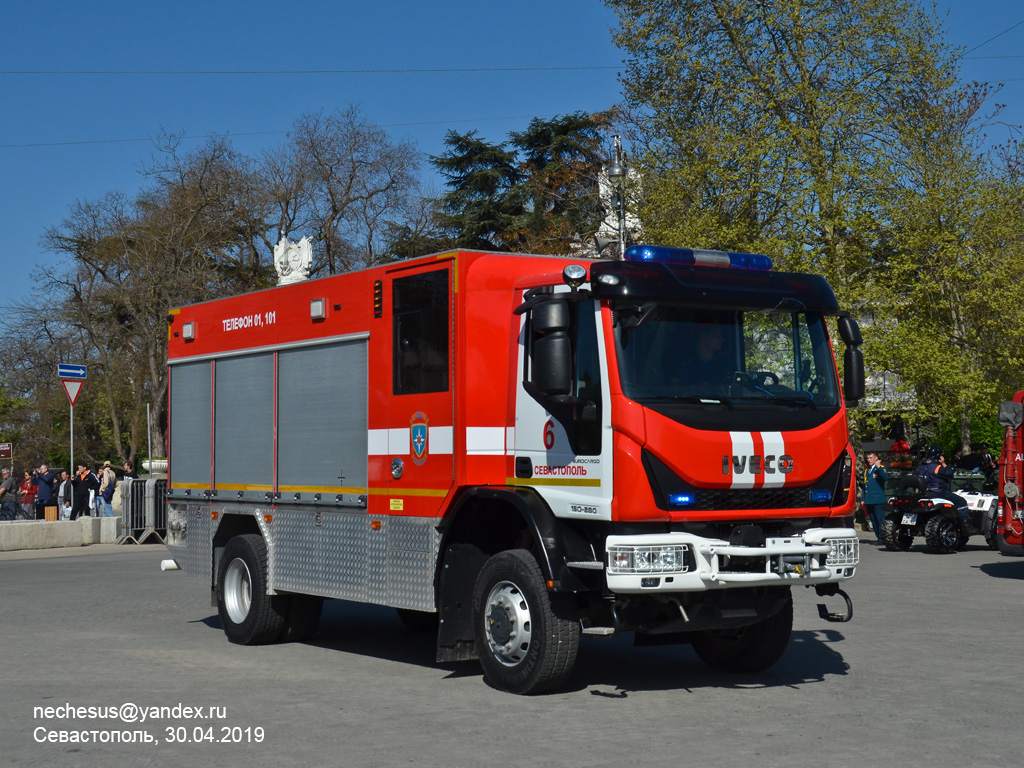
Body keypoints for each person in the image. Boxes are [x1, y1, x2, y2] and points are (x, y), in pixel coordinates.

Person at [916, 445, 969, 524]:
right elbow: (949, 473)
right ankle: (963, 525)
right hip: (939, 492)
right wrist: (943, 463)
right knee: (961, 502)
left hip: (925, 493)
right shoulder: (937, 467)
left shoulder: (920, 468)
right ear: (939, 457)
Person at [862, 451, 889, 544]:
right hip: (869, 500)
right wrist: (863, 498)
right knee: (873, 520)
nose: (869, 460)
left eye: (871, 458)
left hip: (878, 499)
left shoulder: (880, 468)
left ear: (876, 458)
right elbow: (865, 486)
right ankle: (878, 537)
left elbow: (885, 477)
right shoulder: (867, 470)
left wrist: (878, 467)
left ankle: (882, 538)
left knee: (880, 520)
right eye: (868, 458)